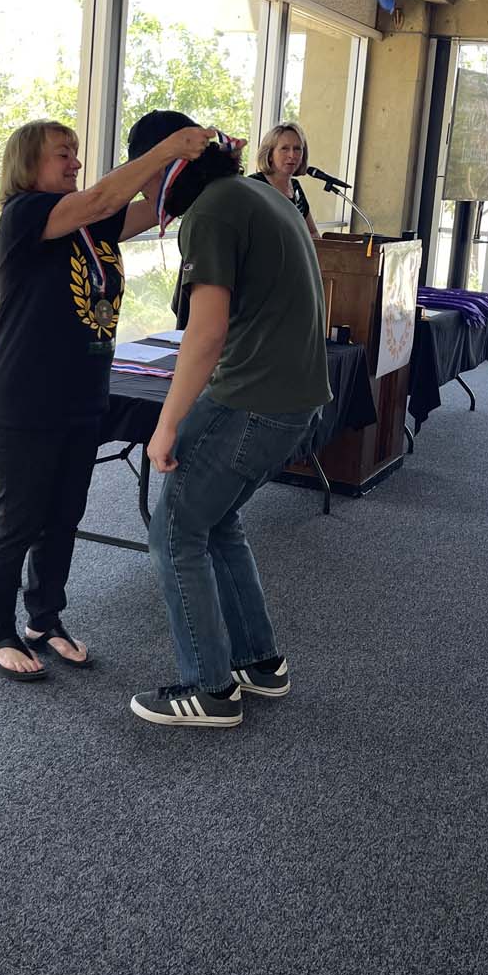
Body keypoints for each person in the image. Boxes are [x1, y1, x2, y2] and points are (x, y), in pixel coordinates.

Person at [0, 117, 215, 682]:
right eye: (64, 154)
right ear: (29, 164)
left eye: (77, 154)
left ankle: (43, 619)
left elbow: (154, 210)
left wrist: (196, 166)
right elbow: (105, 196)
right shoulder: (27, 215)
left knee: (63, 516)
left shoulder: (91, 228)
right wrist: (164, 149)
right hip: (23, 394)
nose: (76, 164)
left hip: (82, 395)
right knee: (21, 517)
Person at [125, 111, 332, 729]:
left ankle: (209, 689)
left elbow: (207, 330)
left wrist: (166, 426)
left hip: (253, 400)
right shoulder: (255, 195)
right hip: (295, 399)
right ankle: (258, 661)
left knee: (173, 531)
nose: (139, 189)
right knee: (216, 522)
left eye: (144, 175)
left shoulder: (213, 212)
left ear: (169, 167)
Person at [251, 121, 321, 239]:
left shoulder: (295, 187)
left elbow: (313, 233)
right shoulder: (254, 185)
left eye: (297, 149)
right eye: (285, 148)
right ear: (269, 154)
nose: (292, 155)